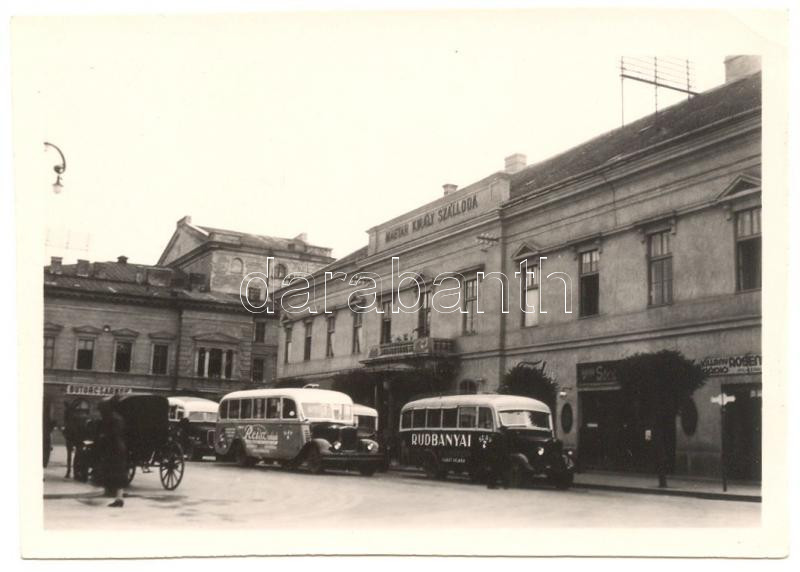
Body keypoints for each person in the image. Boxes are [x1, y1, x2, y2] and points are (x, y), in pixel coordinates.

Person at [98, 398, 127, 508]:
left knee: (116, 473)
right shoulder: (118, 417)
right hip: (119, 447)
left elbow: (112, 433)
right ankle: (118, 498)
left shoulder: (112, 418)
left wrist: (103, 436)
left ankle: (118, 499)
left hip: (115, 448)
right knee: (118, 473)